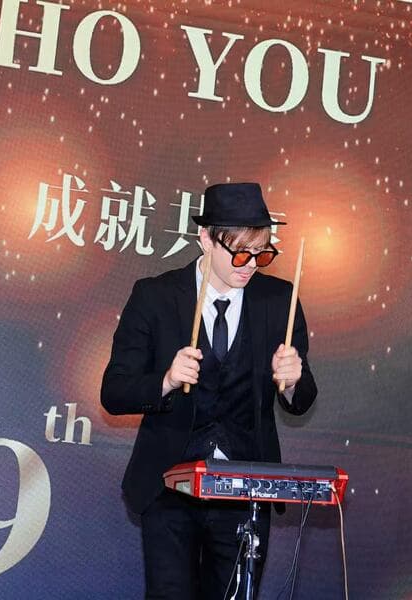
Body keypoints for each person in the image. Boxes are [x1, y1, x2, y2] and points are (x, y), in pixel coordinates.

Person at [101, 182, 317, 599]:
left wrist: (293, 381)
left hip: (245, 492)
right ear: (205, 238)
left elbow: (302, 398)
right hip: (168, 486)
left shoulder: (280, 302)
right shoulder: (155, 296)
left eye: (262, 254)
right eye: (239, 253)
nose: (250, 266)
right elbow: (114, 391)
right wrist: (166, 380)